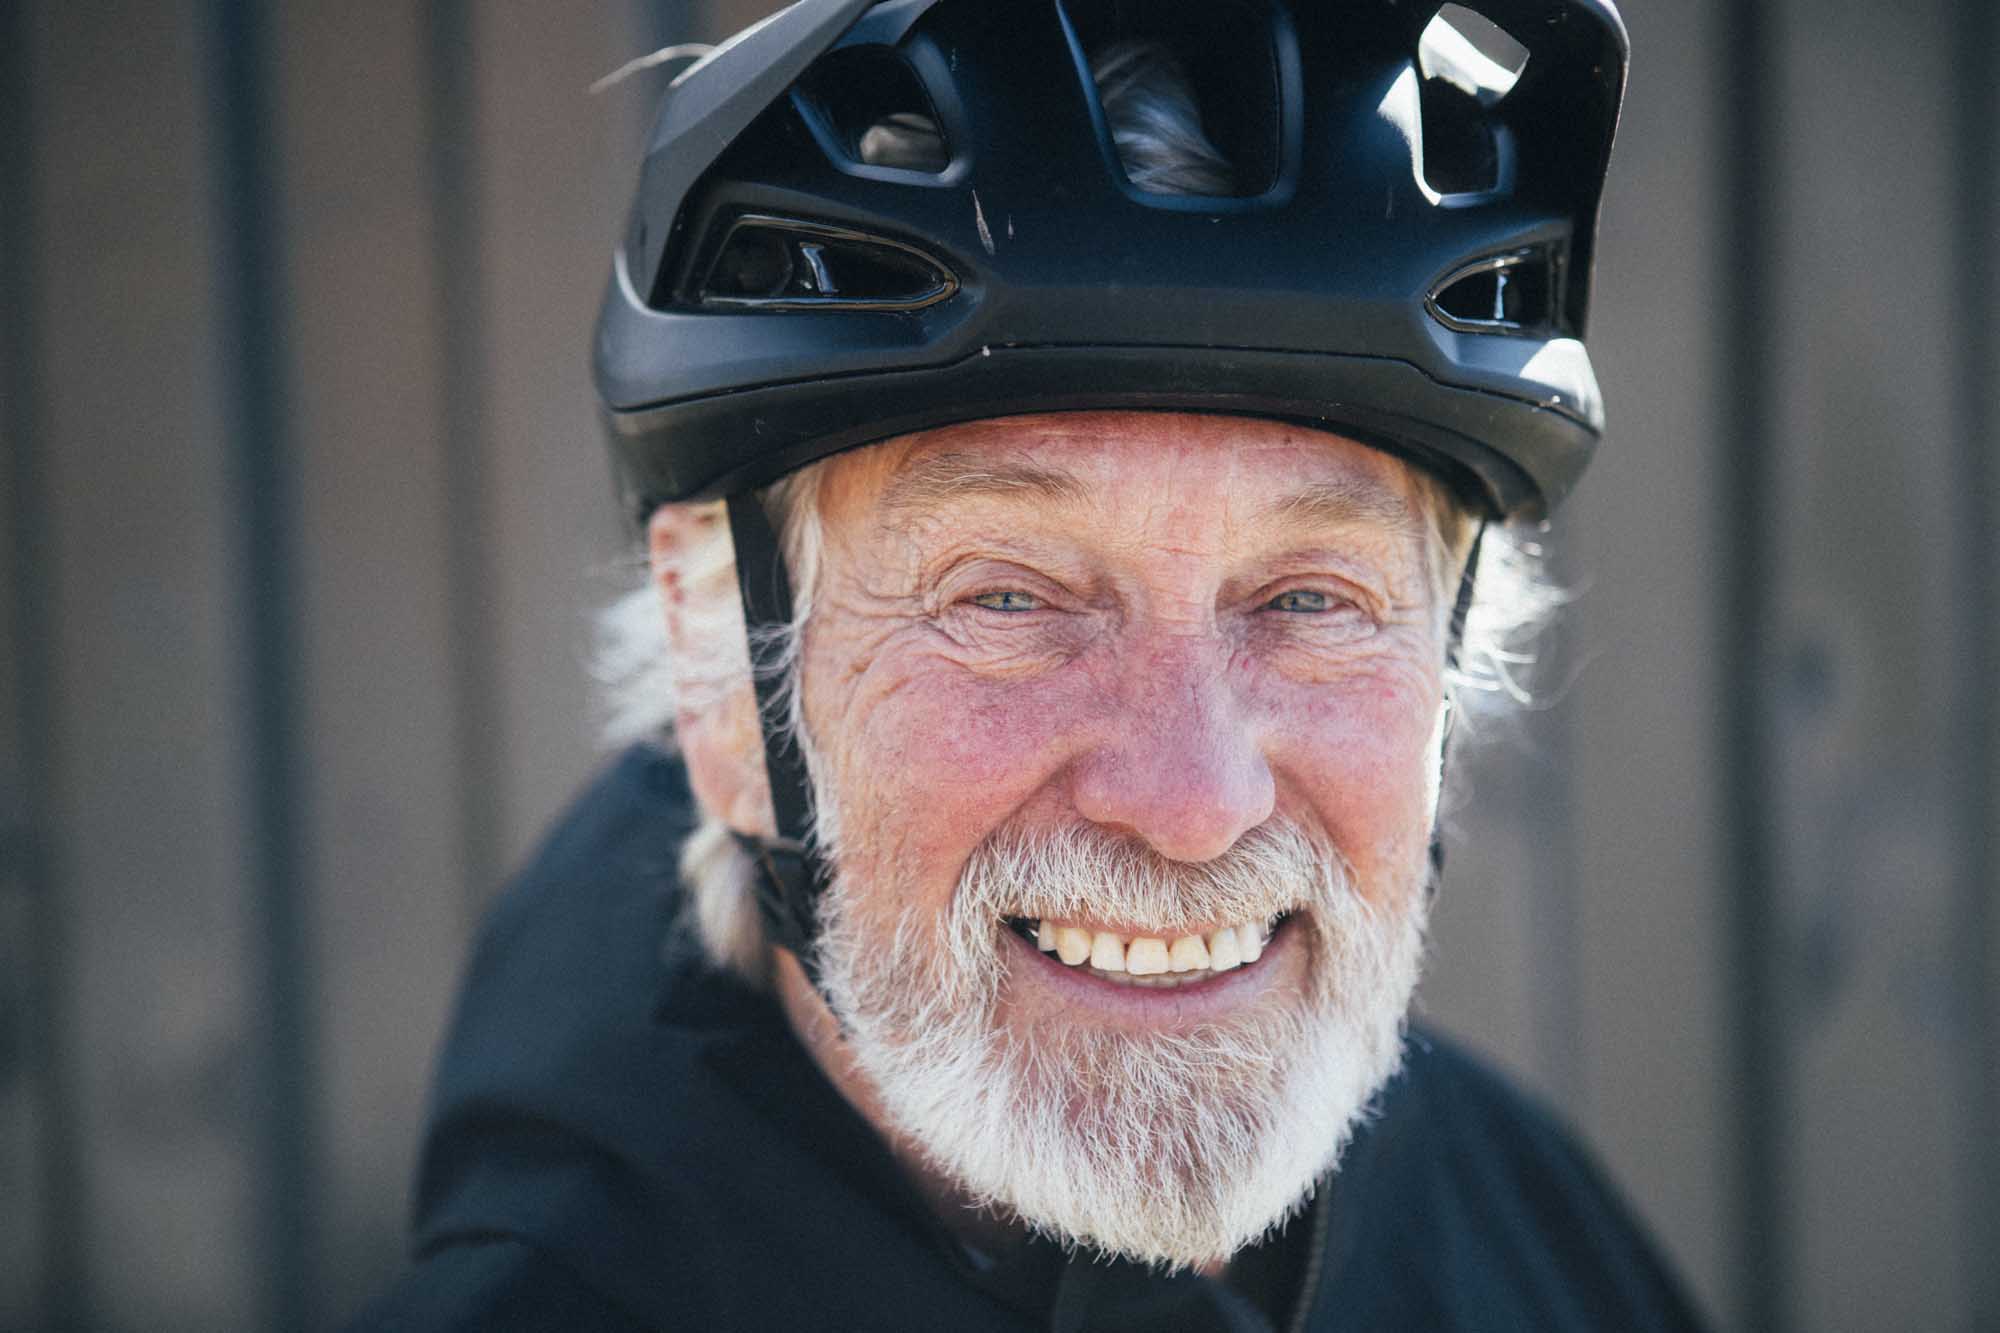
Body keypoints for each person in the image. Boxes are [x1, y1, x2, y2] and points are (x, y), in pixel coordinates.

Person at [352, 1, 1708, 1328]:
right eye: (1008, 596)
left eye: (1310, 598)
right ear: (724, 690)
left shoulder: (1530, 1233)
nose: (1193, 804)